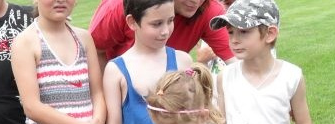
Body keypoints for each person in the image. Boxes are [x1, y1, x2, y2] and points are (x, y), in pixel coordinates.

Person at [90, 0, 235, 72]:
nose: (195, 1)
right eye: (156, 24)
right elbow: (93, 51)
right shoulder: (120, 6)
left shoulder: (209, 10)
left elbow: (237, 62)